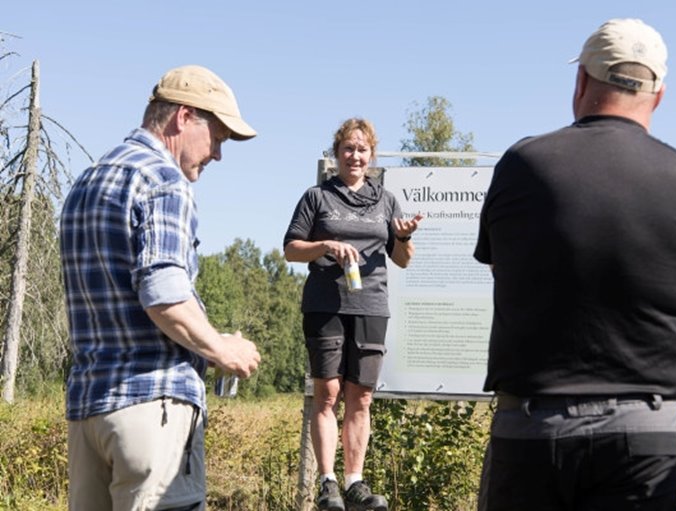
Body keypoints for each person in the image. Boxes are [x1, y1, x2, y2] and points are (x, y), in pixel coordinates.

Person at [473, 19, 676, 511]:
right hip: (646, 431)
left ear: (582, 82)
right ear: (658, 96)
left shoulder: (525, 164)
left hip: (534, 424)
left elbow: (504, 273)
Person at [60, 65, 262, 511]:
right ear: (183, 117)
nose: (218, 155)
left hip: (88, 412)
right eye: (218, 137)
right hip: (153, 408)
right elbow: (164, 292)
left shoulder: (87, 182)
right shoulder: (164, 181)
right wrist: (219, 348)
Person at [284, 118, 422, 511]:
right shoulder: (317, 197)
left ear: (371, 155)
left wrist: (406, 236)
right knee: (327, 394)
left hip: (371, 304)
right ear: (337, 154)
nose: (355, 156)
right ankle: (327, 482)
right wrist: (324, 244)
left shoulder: (386, 200)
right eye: (348, 149)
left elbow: (402, 260)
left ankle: (354, 482)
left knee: (360, 399)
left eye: (362, 150)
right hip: (325, 304)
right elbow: (291, 249)